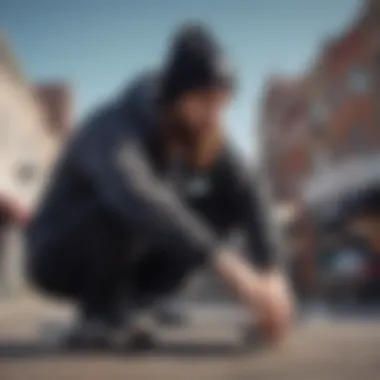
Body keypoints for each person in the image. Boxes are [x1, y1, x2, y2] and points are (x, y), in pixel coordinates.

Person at [26, 23, 293, 348]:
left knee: (221, 204)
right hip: (56, 256)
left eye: (222, 103)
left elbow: (250, 188)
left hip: (128, 256)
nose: (214, 116)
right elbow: (138, 195)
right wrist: (232, 270)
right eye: (206, 102)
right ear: (177, 96)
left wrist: (270, 271)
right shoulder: (114, 127)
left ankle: (134, 302)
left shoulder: (202, 128)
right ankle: (100, 314)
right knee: (137, 205)